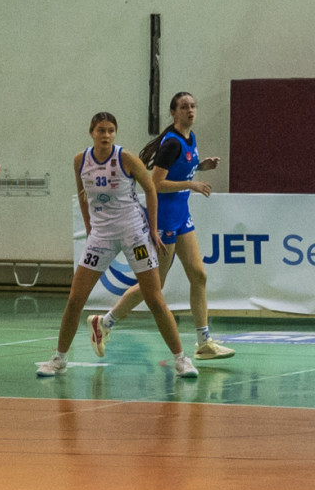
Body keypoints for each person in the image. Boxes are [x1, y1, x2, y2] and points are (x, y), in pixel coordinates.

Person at [37, 112, 198, 379]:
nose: (106, 135)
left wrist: (154, 230)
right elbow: (82, 193)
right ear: (92, 132)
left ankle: (181, 359)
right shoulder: (80, 160)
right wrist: (90, 227)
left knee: (155, 298)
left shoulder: (125, 158)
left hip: (134, 233)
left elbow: (150, 188)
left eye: (111, 130)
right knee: (75, 299)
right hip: (101, 235)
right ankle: (59, 359)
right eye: (101, 130)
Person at [87, 92, 234, 361]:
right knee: (156, 285)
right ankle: (104, 323)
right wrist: (191, 184)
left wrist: (201, 167)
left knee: (199, 276)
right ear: (173, 113)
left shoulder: (190, 139)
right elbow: (156, 184)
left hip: (181, 215)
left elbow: (181, 169)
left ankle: (204, 341)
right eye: (184, 107)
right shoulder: (172, 144)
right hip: (165, 218)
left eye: (192, 106)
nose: (190, 110)